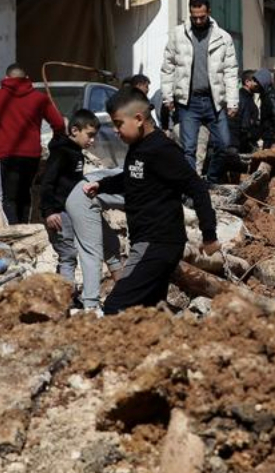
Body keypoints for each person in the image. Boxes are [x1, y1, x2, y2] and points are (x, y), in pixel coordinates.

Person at [86, 89, 219, 315]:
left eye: (119, 124)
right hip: (149, 242)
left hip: (157, 242)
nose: (116, 131)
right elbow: (132, 177)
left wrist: (209, 235)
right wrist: (102, 186)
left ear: (138, 119)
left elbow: (197, 187)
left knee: (116, 306)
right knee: (148, 310)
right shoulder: (138, 148)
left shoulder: (162, 150)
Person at [0, 64, 66, 224]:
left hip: (7, 156)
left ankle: (15, 235)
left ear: (6, 78)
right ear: (27, 78)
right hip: (32, 157)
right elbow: (59, 124)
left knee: (7, 198)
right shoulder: (40, 98)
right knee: (24, 195)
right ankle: (25, 229)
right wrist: (55, 140)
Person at [160, 0, 239, 184]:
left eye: (201, 17)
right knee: (189, 148)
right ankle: (192, 187)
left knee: (224, 144)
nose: (197, 20)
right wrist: (167, 97)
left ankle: (210, 180)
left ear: (209, 13)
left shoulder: (223, 37)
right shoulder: (177, 34)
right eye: (194, 17)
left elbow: (230, 71)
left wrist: (233, 100)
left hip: (215, 101)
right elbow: (168, 67)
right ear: (190, 13)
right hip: (188, 102)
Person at [39, 109, 99, 291]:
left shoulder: (76, 153)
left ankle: (64, 292)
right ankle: (66, 297)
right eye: (89, 135)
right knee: (68, 254)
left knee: (70, 254)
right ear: (74, 131)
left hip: (68, 211)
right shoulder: (61, 153)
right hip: (58, 213)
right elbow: (47, 183)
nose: (92, 140)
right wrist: (50, 211)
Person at [254, 69, 275, 149]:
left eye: (257, 81)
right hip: (269, 138)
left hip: (273, 140)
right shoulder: (266, 95)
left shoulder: (271, 97)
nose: (255, 84)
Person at [235, 71, 263, 154]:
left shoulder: (248, 97)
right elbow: (245, 124)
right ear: (247, 82)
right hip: (244, 142)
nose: (258, 84)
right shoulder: (243, 97)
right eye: (255, 81)